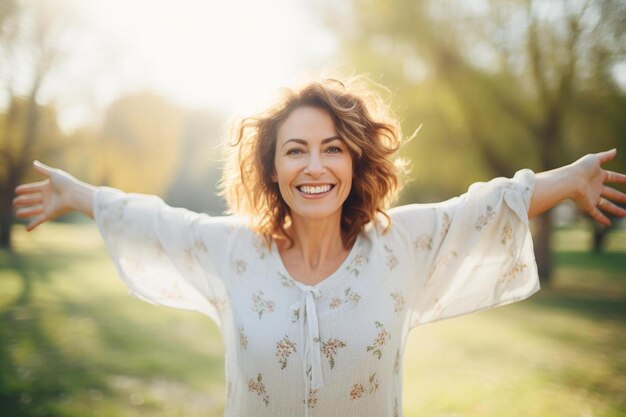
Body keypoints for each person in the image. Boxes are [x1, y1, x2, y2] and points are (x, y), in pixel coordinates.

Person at [12, 78, 626, 417]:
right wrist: (80, 194)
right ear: (273, 167)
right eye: (295, 149)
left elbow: (482, 208)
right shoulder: (233, 251)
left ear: (355, 162)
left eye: (333, 147)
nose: (315, 165)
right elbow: (156, 220)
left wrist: (565, 181)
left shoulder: (398, 245)